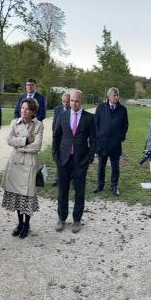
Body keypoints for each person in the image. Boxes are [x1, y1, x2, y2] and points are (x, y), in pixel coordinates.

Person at [52, 89, 95, 234]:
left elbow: (94, 140)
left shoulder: (89, 118)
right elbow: (56, 136)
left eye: (76, 101)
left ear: (81, 101)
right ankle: (61, 217)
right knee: (62, 190)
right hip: (63, 159)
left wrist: (89, 157)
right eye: (71, 101)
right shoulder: (62, 115)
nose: (73, 103)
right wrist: (55, 155)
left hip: (80, 160)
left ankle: (77, 219)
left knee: (79, 191)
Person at [2, 98, 44, 238]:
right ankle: (20, 223)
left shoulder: (38, 125)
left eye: (26, 109)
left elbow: (37, 146)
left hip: (29, 164)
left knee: (27, 195)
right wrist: (25, 141)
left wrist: (19, 146)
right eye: (22, 108)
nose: (23, 111)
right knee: (17, 196)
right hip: (15, 163)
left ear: (33, 112)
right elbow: (8, 140)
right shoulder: (15, 122)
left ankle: (27, 224)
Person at [94, 87, 129, 197]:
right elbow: (96, 123)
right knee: (101, 165)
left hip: (115, 143)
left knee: (115, 166)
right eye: (114, 95)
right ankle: (100, 185)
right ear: (108, 97)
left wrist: (121, 137)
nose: (116, 97)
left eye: (117, 95)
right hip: (103, 142)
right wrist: (98, 136)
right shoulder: (101, 107)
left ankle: (114, 186)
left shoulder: (123, 109)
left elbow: (125, 125)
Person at [51, 92, 70, 187]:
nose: (65, 104)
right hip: (59, 137)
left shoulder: (72, 110)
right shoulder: (57, 109)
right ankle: (58, 178)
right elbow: (54, 122)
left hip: (68, 139)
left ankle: (71, 179)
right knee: (58, 158)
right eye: (64, 101)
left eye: (67, 102)